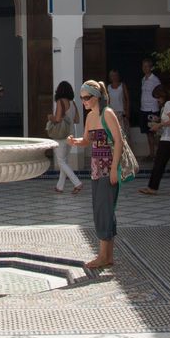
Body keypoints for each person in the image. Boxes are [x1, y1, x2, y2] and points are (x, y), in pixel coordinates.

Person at [66, 80, 122, 269]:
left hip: (108, 169)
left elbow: (119, 142)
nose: (84, 102)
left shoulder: (108, 114)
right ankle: (107, 256)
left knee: (104, 210)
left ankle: (104, 256)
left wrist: (114, 168)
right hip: (96, 169)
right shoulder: (90, 117)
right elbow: (87, 141)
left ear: (96, 97)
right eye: (81, 98)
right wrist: (75, 142)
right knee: (100, 209)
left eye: (86, 98)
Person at [139, 84, 170, 196]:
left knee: (159, 164)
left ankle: (152, 188)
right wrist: (159, 119)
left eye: (158, 97)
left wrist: (159, 125)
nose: (157, 100)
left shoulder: (169, 104)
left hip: (168, 140)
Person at [50, 81, 81, 194]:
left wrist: (50, 117)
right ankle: (60, 186)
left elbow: (57, 119)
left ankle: (77, 182)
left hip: (61, 135)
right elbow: (77, 120)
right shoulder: (73, 103)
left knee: (61, 161)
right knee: (64, 160)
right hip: (71, 134)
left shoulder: (60, 102)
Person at [139, 58, 160, 161]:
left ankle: (157, 154)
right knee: (148, 133)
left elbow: (159, 93)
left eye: (147, 66)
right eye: (143, 66)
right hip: (144, 109)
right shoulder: (144, 79)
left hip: (152, 109)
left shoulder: (155, 80)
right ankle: (151, 154)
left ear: (151, 67)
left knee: (154, 132)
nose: (145, 68)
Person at [107, 68, 130, 132]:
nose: (114, 77)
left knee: (123, 131)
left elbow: (127, 99)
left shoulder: (122, 85)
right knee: (114, 131)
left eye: (115, 75)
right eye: (112, 75)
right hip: (112, 112)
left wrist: (127, 110)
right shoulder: (108, 87)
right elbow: (107, 100)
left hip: (121, 112)